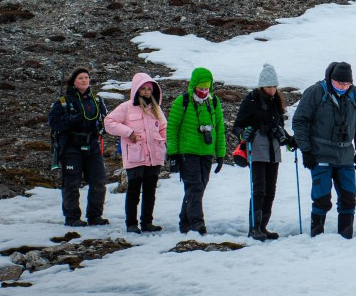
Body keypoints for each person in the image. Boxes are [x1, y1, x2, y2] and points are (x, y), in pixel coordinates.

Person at [291, 62, 356, 239]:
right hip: (320, 155)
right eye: (340, 83)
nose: (344, 87)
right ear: (331, 79)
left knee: (349, 198)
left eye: (347, 84)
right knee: (322, 199)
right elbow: (299, 121)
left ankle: (346, 236)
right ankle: (317, 236)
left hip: (345, 156)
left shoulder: (354, 93)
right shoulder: (316, 92)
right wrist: (306, 151)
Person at [232, 64, 296, 241]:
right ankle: (254, 228)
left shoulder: (276, 102)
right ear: (261, 86)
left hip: (274, 152)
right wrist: (242, 134)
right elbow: (237, 126)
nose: (272, 90)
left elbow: (280, 128)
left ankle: (262, 226)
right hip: (258, 150)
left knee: (270, 190)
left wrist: (290, 140)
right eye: (268, 86)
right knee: (259, 189)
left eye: (274, 86)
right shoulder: (251, 100)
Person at [166, 67, 226, 236]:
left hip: (206, 152)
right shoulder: (182, 101)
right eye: (201, 88)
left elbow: (219, 129)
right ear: (193, 86)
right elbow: (172, 128)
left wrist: (220, 154)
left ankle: (184, 221)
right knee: (195, 187)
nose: (204, 91)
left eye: (207, 88)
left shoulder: (213, 102)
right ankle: (197, 224)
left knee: (200, 187)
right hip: (187, 152)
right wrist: (173, 154)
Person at [104, 73, 166, 234]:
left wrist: (165, 142)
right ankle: (131, 223)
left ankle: (147, 222)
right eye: (143, 89)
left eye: (149, 89)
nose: (146, 92)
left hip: (154, 156)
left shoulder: (155, 108)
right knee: (133, 190)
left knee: (150, 191)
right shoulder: (126, 107)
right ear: (136, 90)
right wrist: (128, 132)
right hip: (135, 156)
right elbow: (109, 122)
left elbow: (164, 127)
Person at [48, 67, 110, 227]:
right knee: (72, 183)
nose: (84, 80)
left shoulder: (97, 101)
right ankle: (72, 217)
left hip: (93, 145)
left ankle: (95, 216)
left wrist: (103, 127)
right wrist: (72, 119)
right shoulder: (63, 102)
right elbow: (54, 123)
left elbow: (106, 120)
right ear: (73, 82)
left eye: (86, 77)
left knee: (98, 181)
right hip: (71, 147)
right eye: (80, 78)